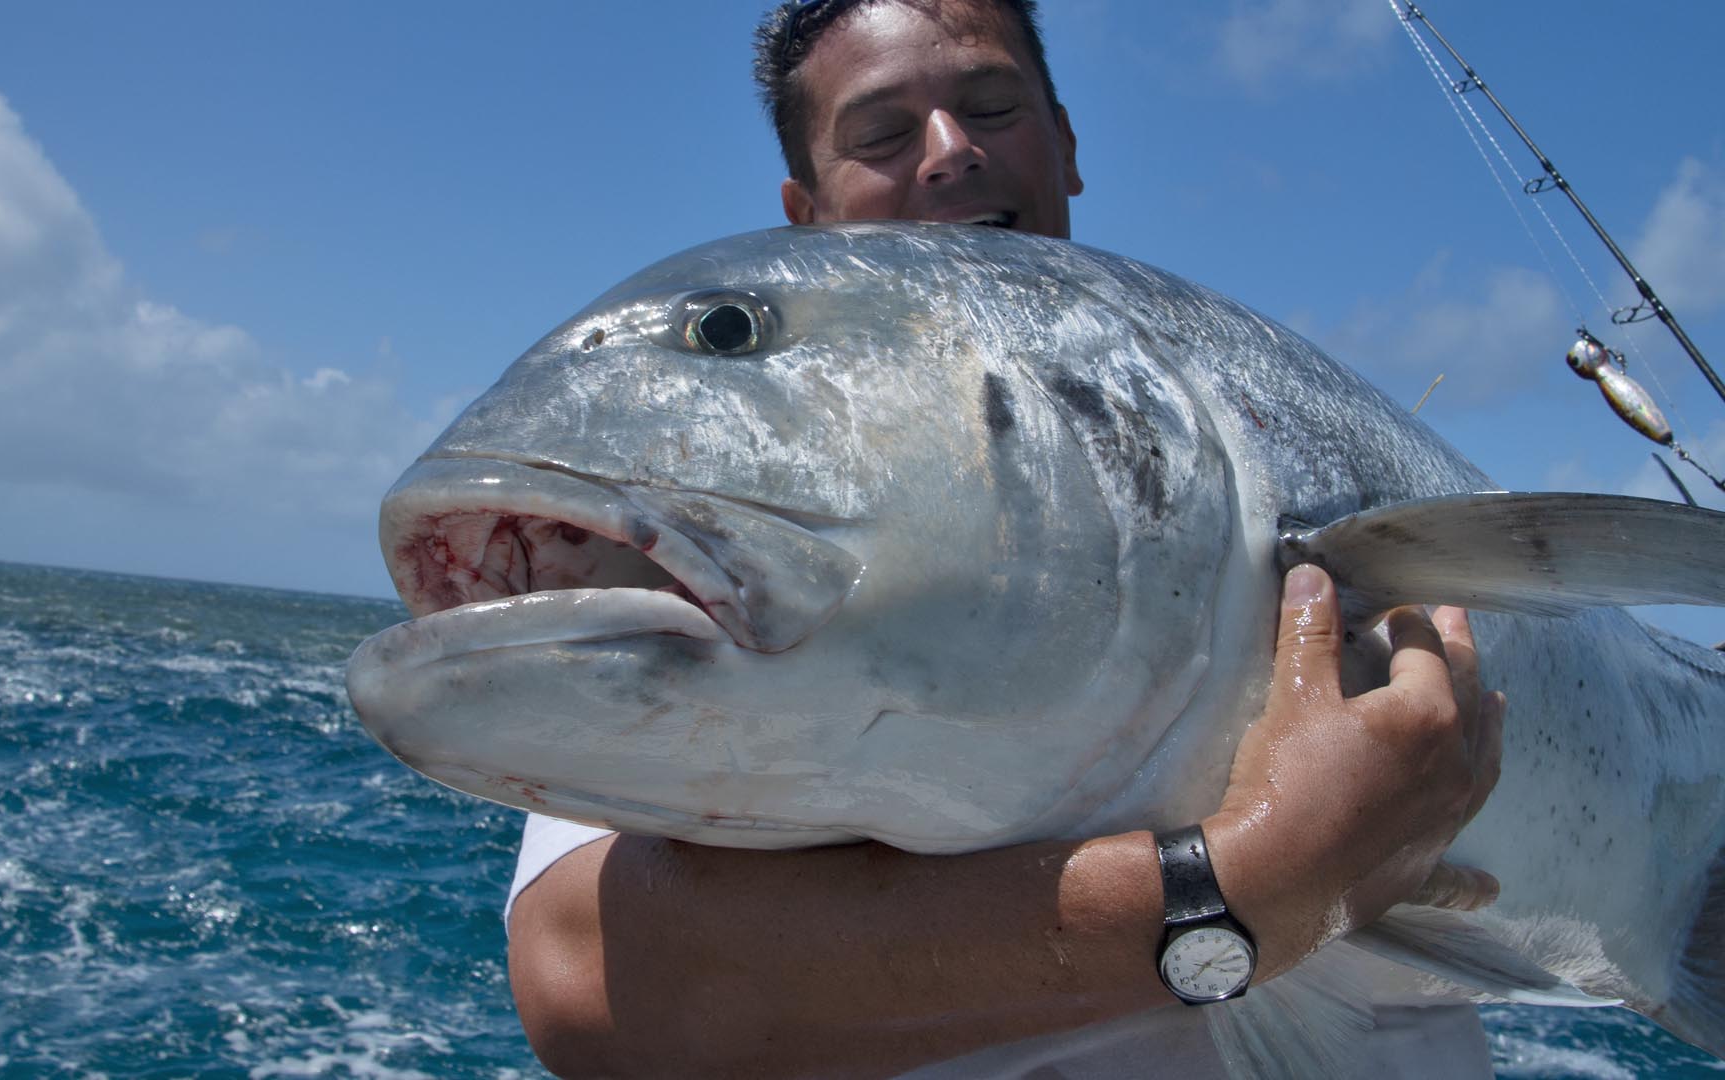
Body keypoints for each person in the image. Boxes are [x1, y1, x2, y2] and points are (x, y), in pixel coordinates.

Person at [505, 2, 1506, 1076]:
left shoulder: (1268, 407)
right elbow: (581, 977)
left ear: (1066, 144)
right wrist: (1238, 885)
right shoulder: (731, 526)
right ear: (804, 213)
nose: (950, 152)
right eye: (882, 133)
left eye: (990, 106)